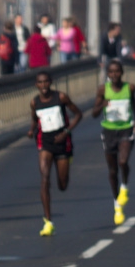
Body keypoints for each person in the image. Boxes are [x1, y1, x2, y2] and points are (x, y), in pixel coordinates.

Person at [27, 71, 82, 237]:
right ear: (36, 85)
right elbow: (35, 120)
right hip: (45, 142)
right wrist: (31, 130)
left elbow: (78, 114)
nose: (43, 86)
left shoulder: (61, 97)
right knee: (44, 179)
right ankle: (48, 221)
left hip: (62, 140)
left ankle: (67, 161)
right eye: (40, 83)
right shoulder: (34, 102)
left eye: (46, 82)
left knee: (62, 185)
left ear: (50, 82)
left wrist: (66, 132)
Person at [92, 60, 135, 227]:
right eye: (111, 72)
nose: (114, 75)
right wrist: (101, 105)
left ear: (122, 73)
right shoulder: (102, 90)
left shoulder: (130, 88)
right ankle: (117, 205)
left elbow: (133, 102)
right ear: (107, 74)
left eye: (117, 72)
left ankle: (125, 186)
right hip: (109, 131)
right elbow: (93, 113)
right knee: (112, 170)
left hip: (126, 128)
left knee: (123, 161)